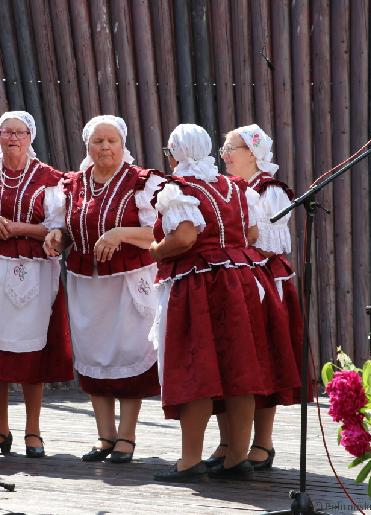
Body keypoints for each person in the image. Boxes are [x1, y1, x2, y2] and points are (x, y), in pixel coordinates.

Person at [149, 124, 299, 482]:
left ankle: (189, 460)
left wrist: (156, 250)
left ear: (175, 154)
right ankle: (236, 457)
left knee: (198, 367)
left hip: (198, 285)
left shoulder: (178, 189)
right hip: (241, 281)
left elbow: (184, 237)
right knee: (239, 369)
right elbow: (250, 233)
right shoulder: (235, 187)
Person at [0, 111, 73, 458]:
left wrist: (18, 228)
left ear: (30, 137)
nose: (12, 138)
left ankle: (33, 431)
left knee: (29, 349)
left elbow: (57, 227)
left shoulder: (48, 179)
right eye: (6, 132)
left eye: (20, 132)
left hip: (31, 268)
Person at [44, 115, 164, 464]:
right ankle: (104, 436)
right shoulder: (73, 184)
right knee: (94, 354)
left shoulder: (141, 182)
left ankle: (127, 437)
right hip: (87, 281)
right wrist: (58, 236)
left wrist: (119, 233)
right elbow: (68, 227)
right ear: (87, 146)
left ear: (123, 143)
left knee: (128, 351)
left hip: (127, 280)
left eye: (111, 140)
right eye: (98, 141)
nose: (105, 147)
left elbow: (157, 231)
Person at [212, 123, 310, 470]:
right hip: (232, 280)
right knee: (230, 362)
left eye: (230, 149)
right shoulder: (223, 188)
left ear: (252, 154)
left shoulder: (270, 191)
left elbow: (268, 240)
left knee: (264, 359)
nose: (224, 156)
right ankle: (228, 442)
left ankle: (263, 444)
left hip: (265, 283)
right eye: (223, 150)